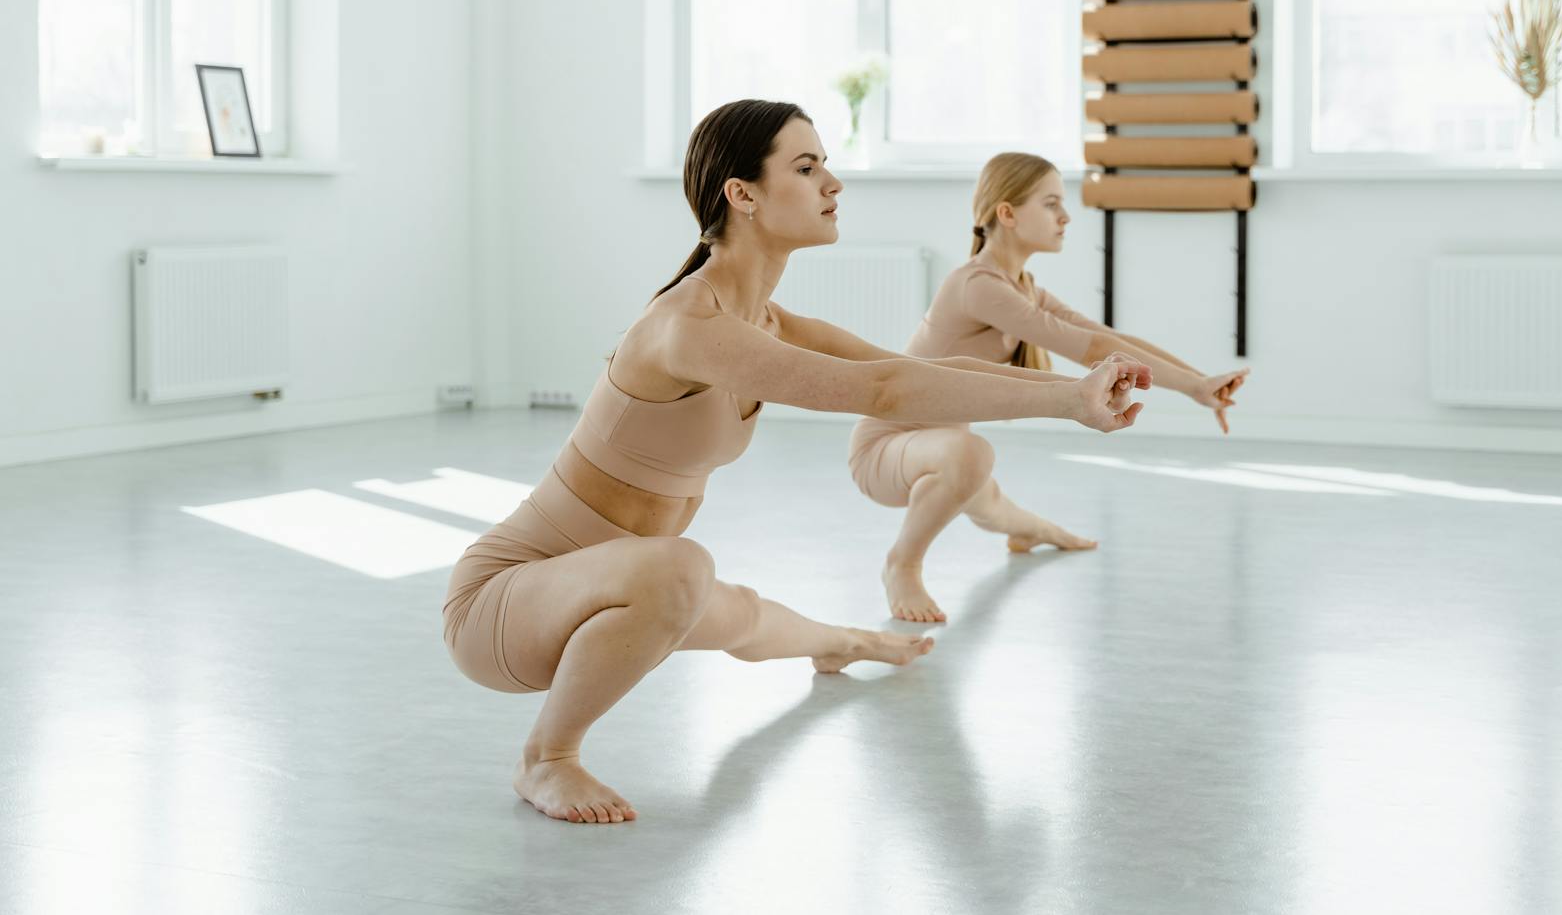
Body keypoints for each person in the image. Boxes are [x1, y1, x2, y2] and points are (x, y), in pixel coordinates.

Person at [442, 104, 1149, 824]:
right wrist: (1068, 402)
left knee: (737, 611)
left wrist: (1074, 390)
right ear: (741, 194)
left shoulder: (767, 322)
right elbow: (884, 391)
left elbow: (908, 369)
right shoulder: (690, 326)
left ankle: (841, 644)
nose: (832, 184)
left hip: (618, 585)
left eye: (826, 164)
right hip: (503, 604)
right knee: (681, 568)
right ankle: (547, 758)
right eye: (806, 168)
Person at [848, 152, 1249, 623]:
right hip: (886, 450)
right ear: (1008, 213)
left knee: (998, 509)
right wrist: (1190, 386)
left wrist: (1198, 384)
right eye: (1052, 203)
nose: (1066, 216)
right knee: (970, 454)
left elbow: (1107, 338)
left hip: (941, 452)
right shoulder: (976, 285)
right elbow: (1090, 347)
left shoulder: (1023, 287)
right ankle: (903, 564)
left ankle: (1038, 532)